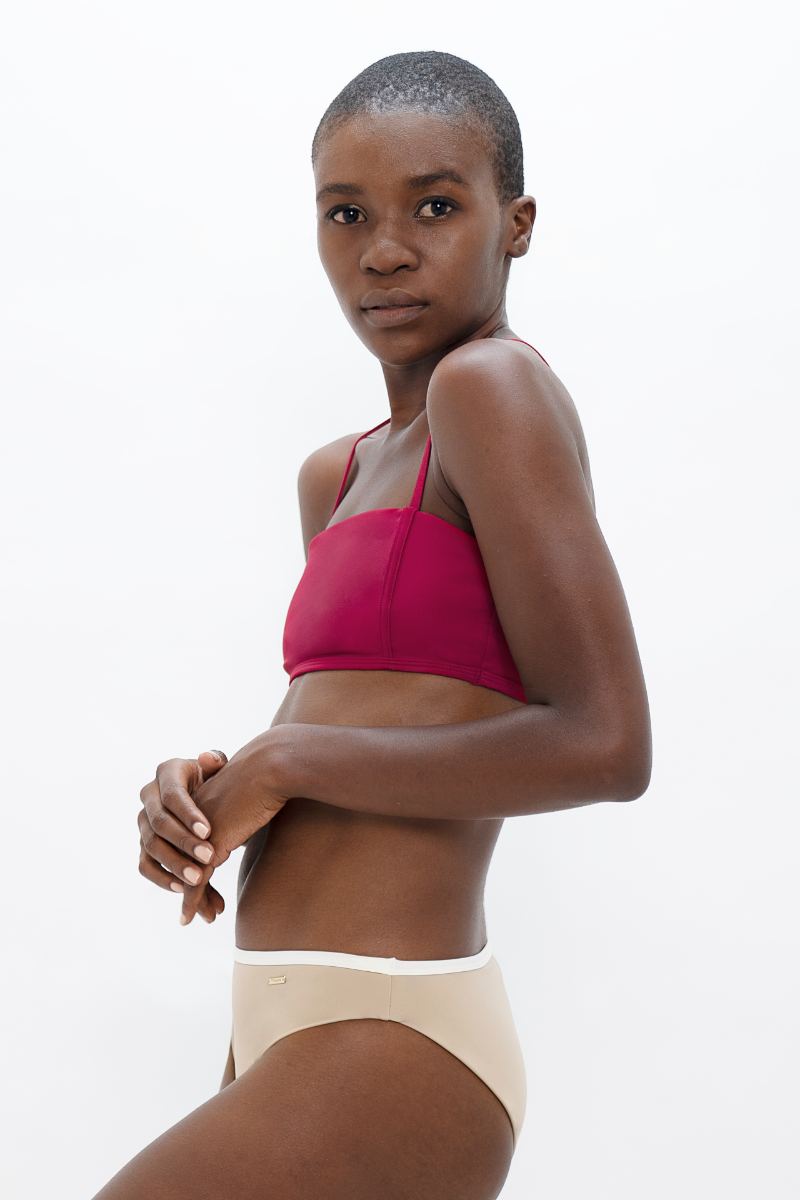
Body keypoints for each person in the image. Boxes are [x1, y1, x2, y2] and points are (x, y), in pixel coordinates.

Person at [96, 51, 651, 1200]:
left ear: (517, 223)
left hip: (393, 1025)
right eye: (344, 213)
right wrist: (207, 792)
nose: (383, 250)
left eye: (435, 206)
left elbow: (605, 744)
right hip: (282, 1020)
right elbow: (382, 720)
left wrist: (289, 761)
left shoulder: (486, 392)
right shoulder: (336, 474)